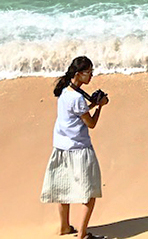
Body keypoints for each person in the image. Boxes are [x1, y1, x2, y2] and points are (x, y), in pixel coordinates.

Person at [40, 56, 109, 239]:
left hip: (61, 147)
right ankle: (82, 234)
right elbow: (91, 123)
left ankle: (64, 227)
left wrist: (92, 103)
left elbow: (76, 113)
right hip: (79, 149)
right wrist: (99, 106)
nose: (91, 76)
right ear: (79, 74)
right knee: (90, 192)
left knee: (63, 190)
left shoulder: (65, 91)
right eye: (89, 72)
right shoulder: (77, 98)